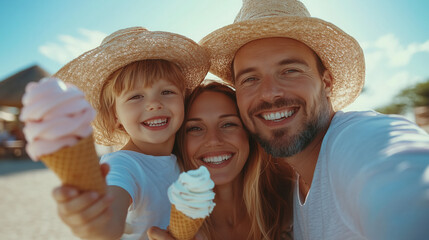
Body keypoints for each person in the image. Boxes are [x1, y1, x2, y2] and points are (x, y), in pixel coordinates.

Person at [199, 0, 429, 239]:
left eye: (290, 71)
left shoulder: (359, 141)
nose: (269, 93)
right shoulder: (293, 184)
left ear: (327, 82)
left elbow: (405, 176)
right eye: (250, 79)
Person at [51, 27, 210, 239]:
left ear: (183, 99)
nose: (154, 103)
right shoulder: (122, 165)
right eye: (136, 97)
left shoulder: (181, 159)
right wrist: (93, 223)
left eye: (167, 92)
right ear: (115, 116)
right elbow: (110, 225)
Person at [148, 80, 294, 239]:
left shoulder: (291, 201)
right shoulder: (156, 218)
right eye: (195, 128)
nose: (214, 140)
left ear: (249, 134)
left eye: (228, 124)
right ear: (180, 142)